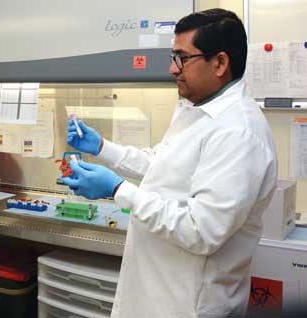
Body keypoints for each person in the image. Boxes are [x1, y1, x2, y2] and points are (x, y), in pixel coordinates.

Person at [62, 9, 277, 318]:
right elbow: (162, 164)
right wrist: (102, 148)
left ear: (219, 63)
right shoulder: (197, 109)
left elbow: (200, 229)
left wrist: (117, 189)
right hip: (157, 293)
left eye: (182, 58)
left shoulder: (238, 133)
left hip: (187, 304)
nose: (172, 69)